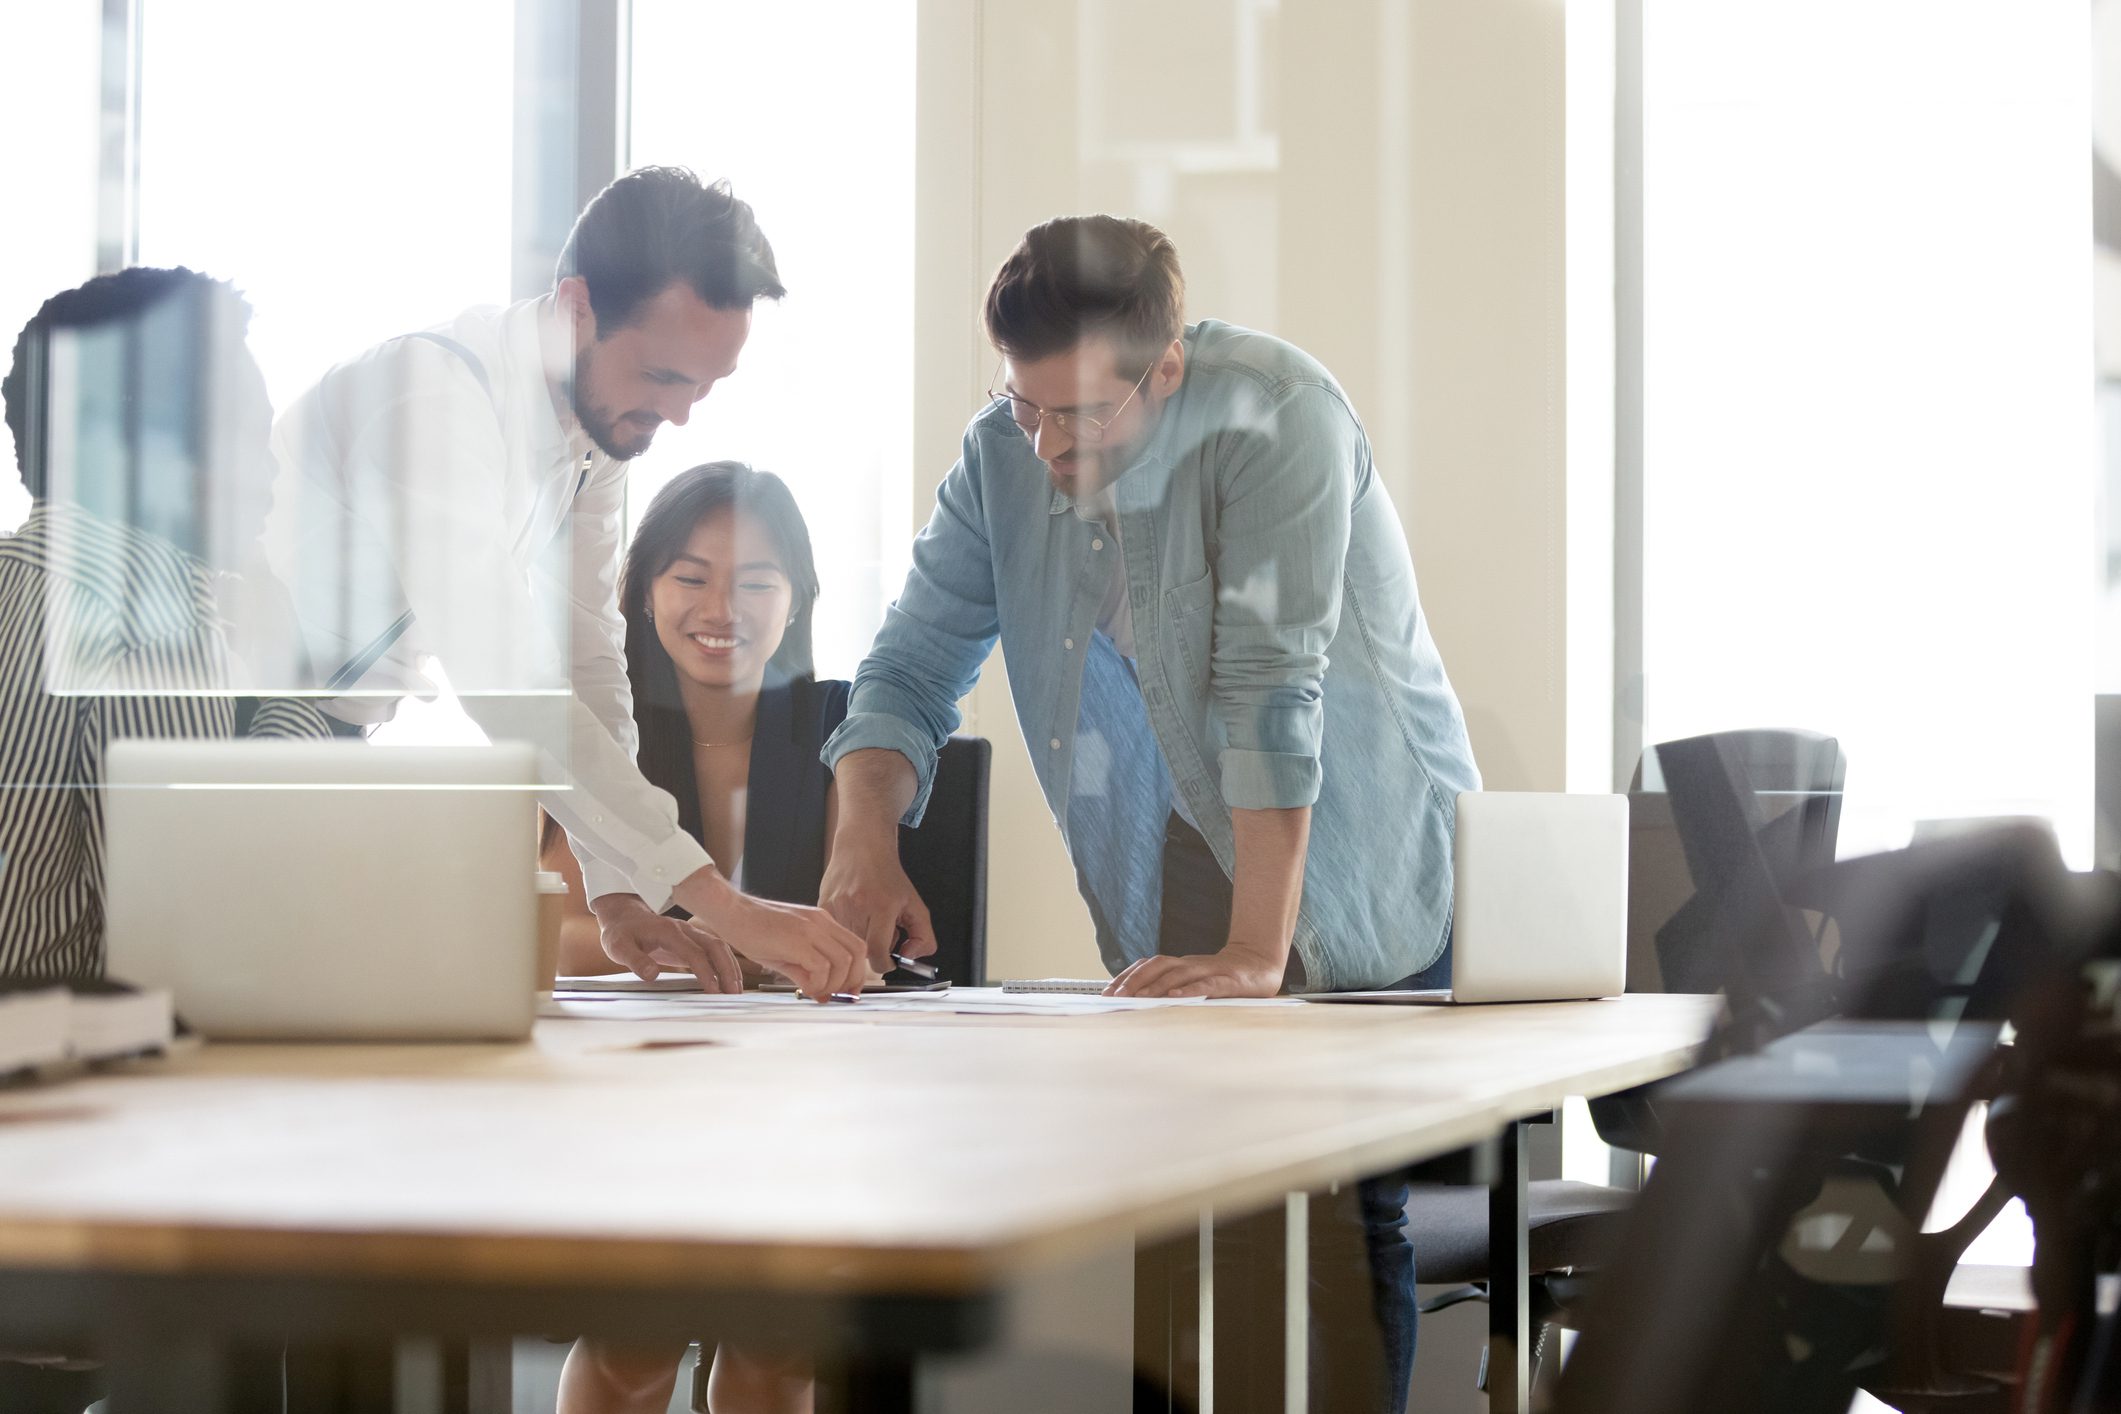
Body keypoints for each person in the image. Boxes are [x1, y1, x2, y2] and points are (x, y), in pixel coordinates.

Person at [815, 216, 1481, 1409]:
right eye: (1027, 404)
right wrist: (864, 844)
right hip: (1175, 857)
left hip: (1358, 861)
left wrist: (1255, 953)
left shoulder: (1280, 416)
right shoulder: (1000, 457)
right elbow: (908, 672)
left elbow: (1273, 690)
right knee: (1177, 1203)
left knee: (1331, 1193)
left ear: (1166, 364)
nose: (1048, 441)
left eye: (1082, 415)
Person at [267, 166, 865, 1000]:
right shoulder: (431, 393)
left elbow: (587, 667)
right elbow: (508, 681)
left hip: (318, 748)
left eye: (705, 385)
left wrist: (616, 895)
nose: (682, 413)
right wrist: (721, 903)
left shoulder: (597, 433)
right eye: (663, 377)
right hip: (204, 736)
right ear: (577, 308)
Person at [548, 462, 836, 1412]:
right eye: (689, 575)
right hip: (624, 1091)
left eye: (757, 579)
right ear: (638, 592)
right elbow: (547, 934)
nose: (724, 606)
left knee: (781, 1345)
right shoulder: (587, 738)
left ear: (795, 600)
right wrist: (707, 946)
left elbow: (873, 942)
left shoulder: (850, 739)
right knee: (633, 1342)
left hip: (805, 1101)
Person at [0, 267, 331, 986]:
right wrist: (296, 697)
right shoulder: (150, 612)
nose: (271, 471)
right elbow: (199, 928)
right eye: (249, 434)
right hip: (55, 1076)